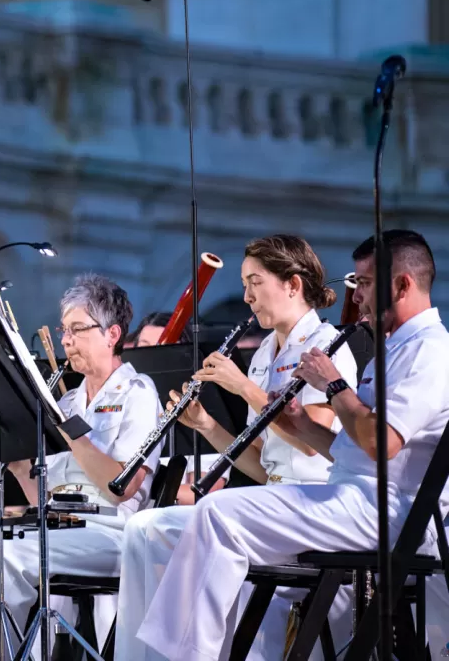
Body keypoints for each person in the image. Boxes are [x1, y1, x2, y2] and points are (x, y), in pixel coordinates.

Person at [135, 230, 449, 661]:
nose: (357, 300)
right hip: (353, 499)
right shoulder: (393, 351)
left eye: (368, 284)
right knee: (191, 527)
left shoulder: (432, 350)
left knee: (216, 515)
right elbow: (349, 447)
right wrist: (301, 425)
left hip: (392, 513)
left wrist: (334, 385)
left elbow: (383, 443)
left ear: (403, 285)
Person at [116, 234, 359, 661]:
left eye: (255, 282)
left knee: (213, 524)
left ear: (293, 284)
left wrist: (242, 387)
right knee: (144, 530)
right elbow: (263, 464)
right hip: (272, 497)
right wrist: (207, 425)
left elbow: (310, 444)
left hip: (315, 502)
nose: (245, 297)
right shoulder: (266, 350)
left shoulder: (325, 344)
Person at [0, 275, 160, 661]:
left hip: (109, 532)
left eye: (77, 329)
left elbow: (120, 488)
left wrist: (69, 433)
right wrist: (19, 464)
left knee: (6, 555)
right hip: (55, 527)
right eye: (64, 330)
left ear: (112, 334)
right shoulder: (72, 400)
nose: (66, 341)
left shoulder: (138, 393)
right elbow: (43, 498)